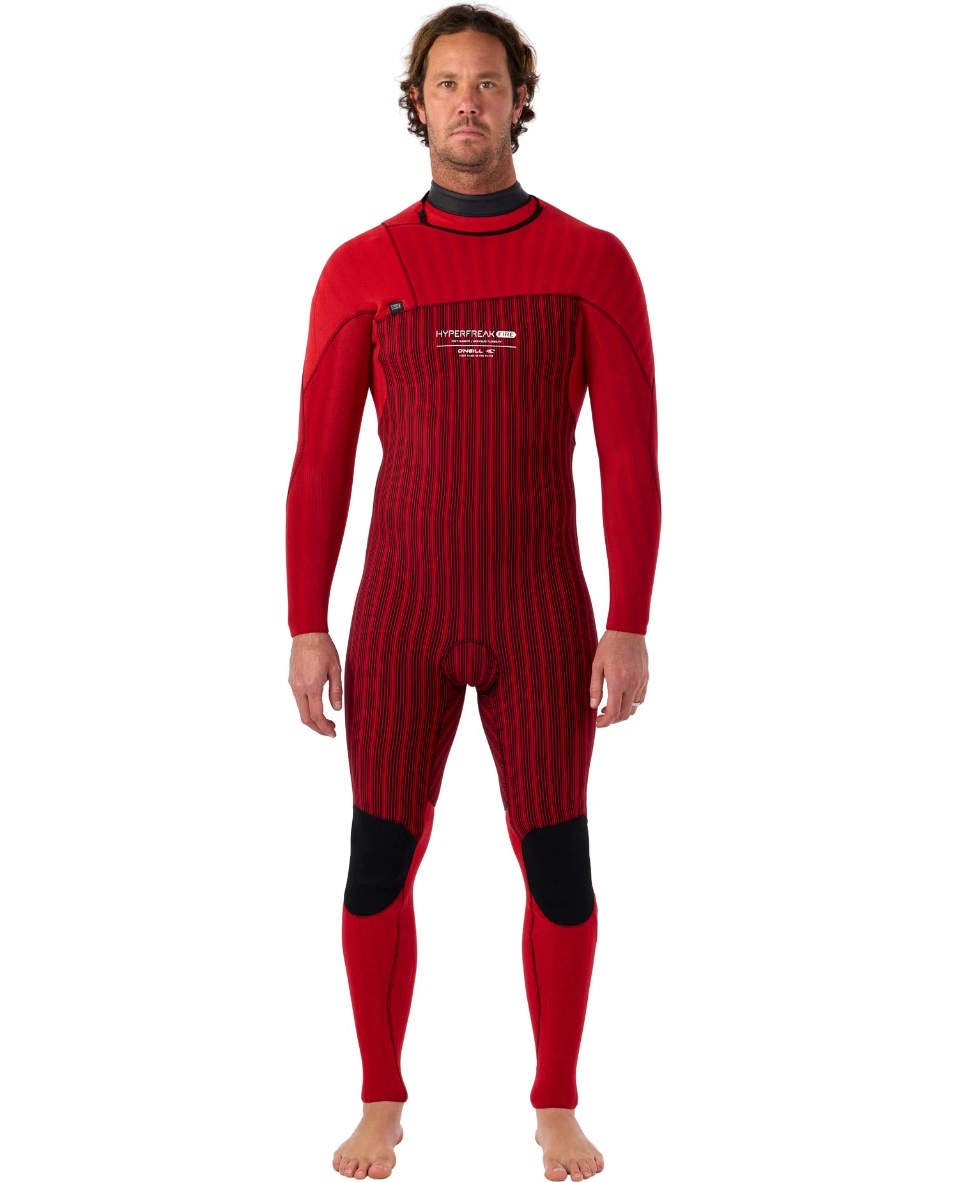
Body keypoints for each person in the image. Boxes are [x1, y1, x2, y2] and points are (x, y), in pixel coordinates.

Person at [285, 6, 661, 1179]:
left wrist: (630, 623)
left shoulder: (593, 262)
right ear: (417, 104)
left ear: (519, 100)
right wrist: (304, 623)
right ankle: (380, 1100)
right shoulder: (362, 268)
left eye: (488, 83)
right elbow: (320, 461)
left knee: (559, 868)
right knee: (375, 862)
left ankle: (554, 1104)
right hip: (399, 615)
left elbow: (631, 457)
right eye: (446, 83)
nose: (467, 102)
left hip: (543, 616)